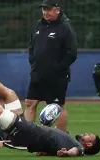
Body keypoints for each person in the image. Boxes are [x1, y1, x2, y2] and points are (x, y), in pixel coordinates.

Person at [0, 59, 100, 157]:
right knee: (7, 95)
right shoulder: (67, 138)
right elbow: (44, 147)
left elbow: (76, 151)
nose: (86, 133)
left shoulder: (77, 147)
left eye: (90, 136)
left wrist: (68, 153)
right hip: (27, 128)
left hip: (19, 132)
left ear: (88, 144)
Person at [25, 0, 78, 132]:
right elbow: (32, 47)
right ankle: (26, 137)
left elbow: (72, 53)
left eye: (48, 9)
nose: (45, 12)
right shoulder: (39, 24)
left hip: (57, 76)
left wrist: (58, 68)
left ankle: (61, 138)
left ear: (57, 10)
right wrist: (33, 63)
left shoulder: (65, 27)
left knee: (57, 106)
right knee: (30, 103)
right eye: (44, 9)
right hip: (37, 73)